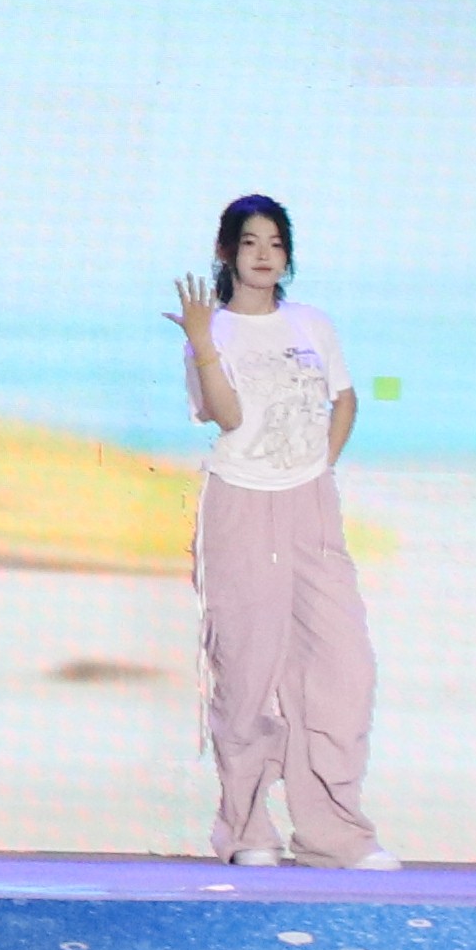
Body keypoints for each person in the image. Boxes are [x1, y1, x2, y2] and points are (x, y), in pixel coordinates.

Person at [172, 193, 389, 866]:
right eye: (250, 242)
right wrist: (203, 343)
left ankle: (334, 835)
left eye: (275, 243)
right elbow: (227, 416)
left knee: (343, 668)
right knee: (245, 670)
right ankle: (245, 831)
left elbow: (345, 398)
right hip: (239, 503)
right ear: (227, 252)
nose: (264, 255)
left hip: (310, 505)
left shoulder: (311, 323)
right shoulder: (214, 331)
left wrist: (322, 463)